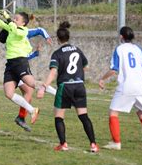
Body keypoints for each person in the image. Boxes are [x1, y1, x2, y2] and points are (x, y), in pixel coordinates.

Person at [37, 21, 99, 153]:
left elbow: (53, 72)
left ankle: (63, 144)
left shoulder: (57, 53)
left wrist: (43, 87)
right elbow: (86, 67)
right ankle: (93, 144)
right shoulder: (78, 50)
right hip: (79, 85)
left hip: (65, 86)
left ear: (58, 39)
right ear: (68, 37)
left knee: (59, 116)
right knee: (83, 116)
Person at [98, 26, 142, 151]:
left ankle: (116, 142)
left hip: (127, 85)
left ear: (121, 37)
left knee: (113, 112)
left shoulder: (119, 49)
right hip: (140, 85)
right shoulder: (138, 49)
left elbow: (114, 70)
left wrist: (102, 79)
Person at [14, 26, 52, 132]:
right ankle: (21, 117)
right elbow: (40, 29)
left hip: (19, 67)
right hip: (17, 68)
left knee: (28, 95)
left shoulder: (23, 33)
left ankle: (21, 117)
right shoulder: (17, 33)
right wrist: (47, 37)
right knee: (29, 91)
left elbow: (40, 30)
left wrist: (35, 52)